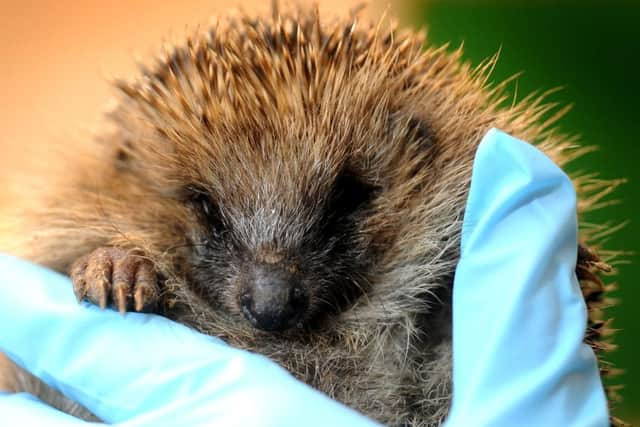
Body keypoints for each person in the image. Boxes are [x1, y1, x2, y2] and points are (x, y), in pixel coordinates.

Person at [0, 129, 609, 426]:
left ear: (421, 150)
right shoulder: (124, 226)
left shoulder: (460, 223)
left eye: (343, 203)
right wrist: (116, 265)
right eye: (210, 213)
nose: (268, 297)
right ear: (133, 172)